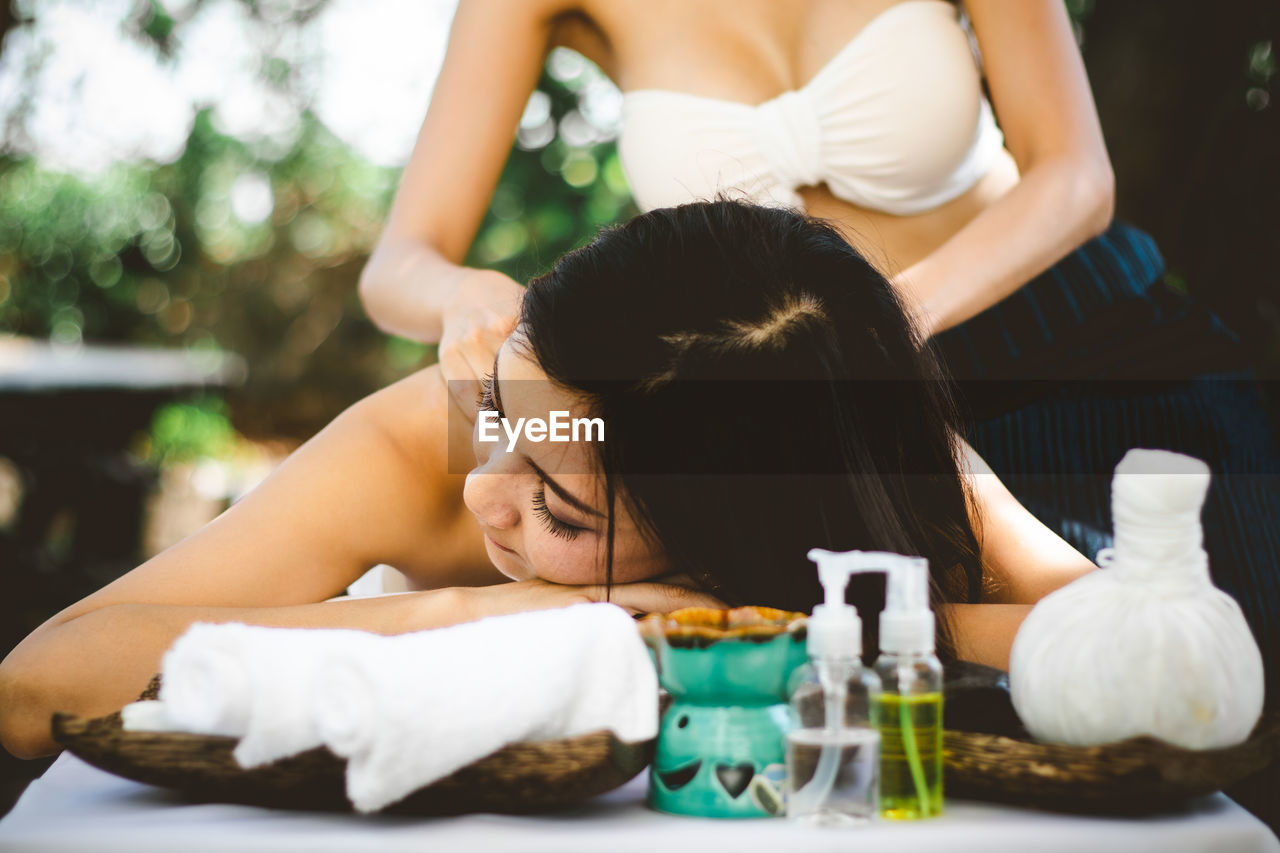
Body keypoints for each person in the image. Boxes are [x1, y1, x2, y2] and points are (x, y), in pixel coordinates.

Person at [356, 0, 1280, 702]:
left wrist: (872, 333)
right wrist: (465, 291)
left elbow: (1079, 177)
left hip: (1082, 346)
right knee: (825, 683)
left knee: (1189, 678)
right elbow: (398, 262)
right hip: (807, 413)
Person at [0, 200, 1097, 761]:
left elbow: (1121, 636)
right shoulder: (415, 443)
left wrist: (790, 621)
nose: (486, 488)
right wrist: (503, 611)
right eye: (497, 418)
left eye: (559, 505)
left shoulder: (857, 461)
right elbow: (36, 686)